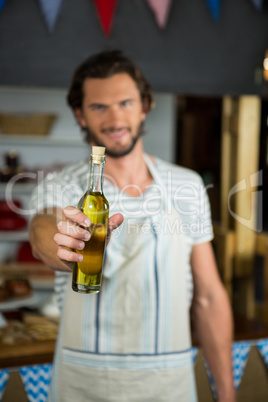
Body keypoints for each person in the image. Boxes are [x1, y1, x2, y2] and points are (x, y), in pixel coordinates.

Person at [29, 50, 235, 402]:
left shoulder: (186, 185)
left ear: (145, 106)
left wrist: (228, 394)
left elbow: (209, 298)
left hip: (168, 382)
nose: (114, 118)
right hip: (83, 382)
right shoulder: (62, 185)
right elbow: (42, 231)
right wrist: (66, 247)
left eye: (125, 103)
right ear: (80, 115)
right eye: (98, 107)